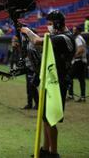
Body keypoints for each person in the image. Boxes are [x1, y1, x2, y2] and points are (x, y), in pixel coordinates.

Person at [21, 10, 76, 158]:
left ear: (57, 24)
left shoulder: (63, 38)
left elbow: (37, 41)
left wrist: (27, 31)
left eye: (50, 24)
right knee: (46, 117)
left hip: (57, 83)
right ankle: (45, 149)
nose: (48, 27)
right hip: (52, 80)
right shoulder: (63, 36)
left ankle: (53, 153)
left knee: (51, 119)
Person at [68, 26, 87, 102]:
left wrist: (73, 56)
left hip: (78, 61)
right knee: (81, 79)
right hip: (82, 61)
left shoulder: (78, 39)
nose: (73, 31)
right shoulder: (81, 38)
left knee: (69, 77)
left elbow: (81, 49)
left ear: (78, 31)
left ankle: (70, 95)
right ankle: (83, 97)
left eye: (74, 30)